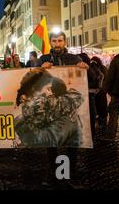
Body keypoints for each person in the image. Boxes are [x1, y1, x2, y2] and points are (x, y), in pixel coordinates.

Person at [35, 31, 89, 186]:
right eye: (54, 41)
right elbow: (33, 78)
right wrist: (40, 68)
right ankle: (53, 176)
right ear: (50, 42)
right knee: (52, 146)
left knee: (71, 146)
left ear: (65, 42)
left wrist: (84, 68)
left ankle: (67, 175)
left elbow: (89, 79)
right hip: (50, 112)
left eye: (60, 41)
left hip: (69, 112)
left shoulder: (74, 58)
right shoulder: (43, 59)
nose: (57, 44)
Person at [14, 69, 83, 147]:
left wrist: (21, 126)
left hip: (65, 153)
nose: (50, 93)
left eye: (50, 89)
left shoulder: (64, 113)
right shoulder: (36, 111)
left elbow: (46, 140)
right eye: (48, 89)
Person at [90, 56, 108, 134]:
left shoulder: (92, 68)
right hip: (102, 91)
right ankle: (102, 123)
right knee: (102, 107)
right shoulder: (103, 67)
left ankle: (100, 122)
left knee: (97, 107)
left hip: (96, 91)